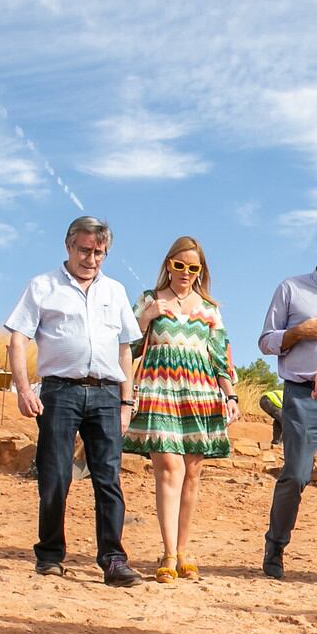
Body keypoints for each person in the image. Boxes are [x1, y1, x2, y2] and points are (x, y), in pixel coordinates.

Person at [6, 216, 145, 587]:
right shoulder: (42, 286)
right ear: (69, 246)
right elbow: (18, 340)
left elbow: (125, 350)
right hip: (59, 392)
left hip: (105, 394)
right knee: (55, 476)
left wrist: (126, 402)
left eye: (99, 252)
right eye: (85, 250)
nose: (92, 258)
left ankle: (114, 560)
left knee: (108, 479)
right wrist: (23, 389)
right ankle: (50, 555)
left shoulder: (114, 291)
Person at [125, 235, 239, 583]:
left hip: (200, 394)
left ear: (200, 270)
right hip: (160, 390)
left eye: (193, 267)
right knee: (168, 467)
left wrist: (231, 396)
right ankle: (168, 552)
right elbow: (127, 348)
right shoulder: (149, 300)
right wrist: (145, 320)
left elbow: (220, 357)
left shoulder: (209, 309)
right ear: (168, 265)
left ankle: (183, 549)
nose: (185, 273)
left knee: (192, 472)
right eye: (179, 265)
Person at [258, 253, 317, 582]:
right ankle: (275, 546)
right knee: (295, 475)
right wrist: (298, 332)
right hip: (302, 393)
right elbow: (265, 341)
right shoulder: (291, 288)